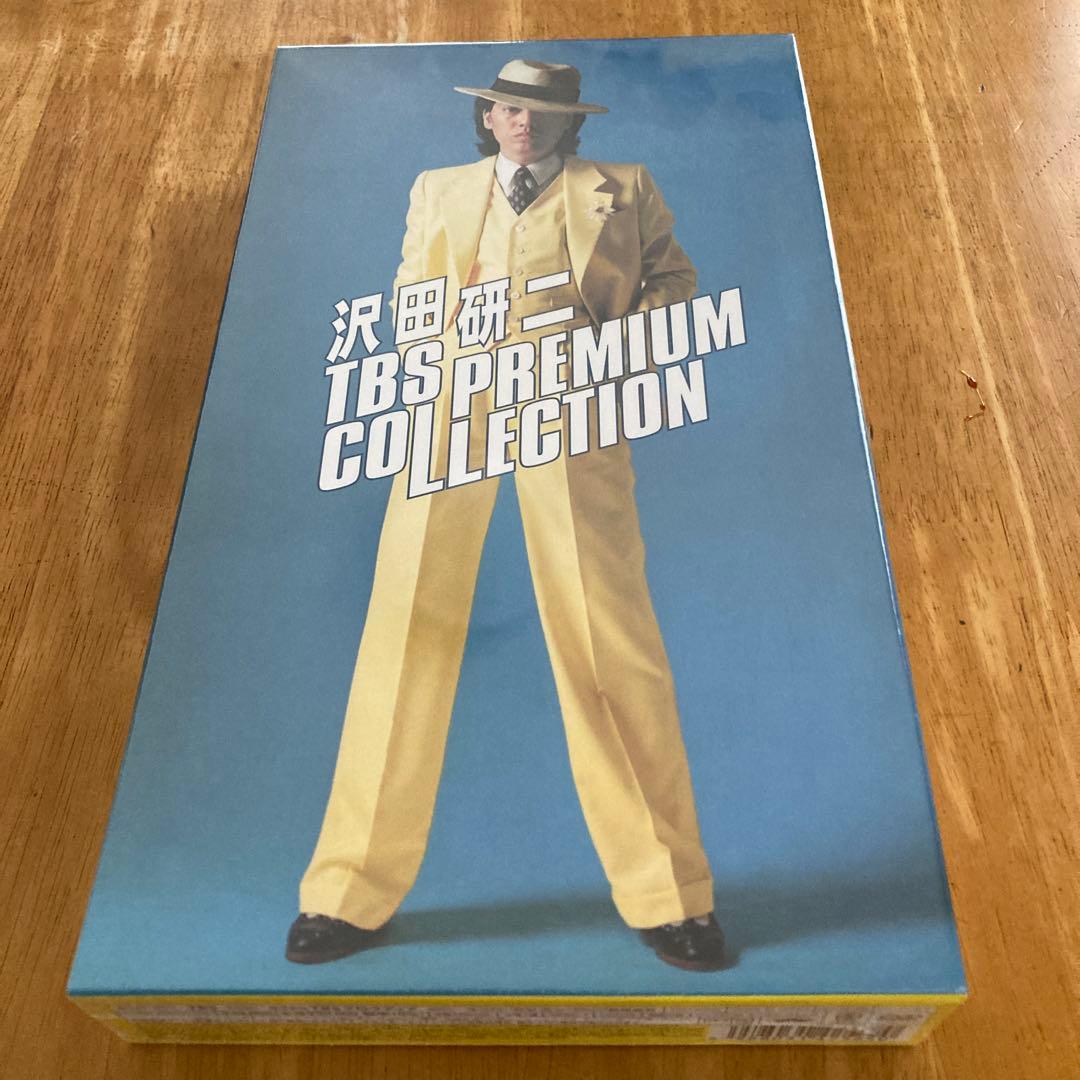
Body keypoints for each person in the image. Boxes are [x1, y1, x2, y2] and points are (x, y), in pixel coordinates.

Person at [287, 59, 726, 971]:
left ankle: (670, 895)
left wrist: (611, 356)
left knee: (609, 636)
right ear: (487, 116)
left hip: (572, 406)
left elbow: (674, 283)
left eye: (542, 111)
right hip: (453, 408)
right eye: (508, 108)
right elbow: (410, 293)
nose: (523, 122)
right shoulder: (437, 189)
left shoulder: (624, 187)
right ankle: (346, 893)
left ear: (571, 123)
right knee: (406, 629)